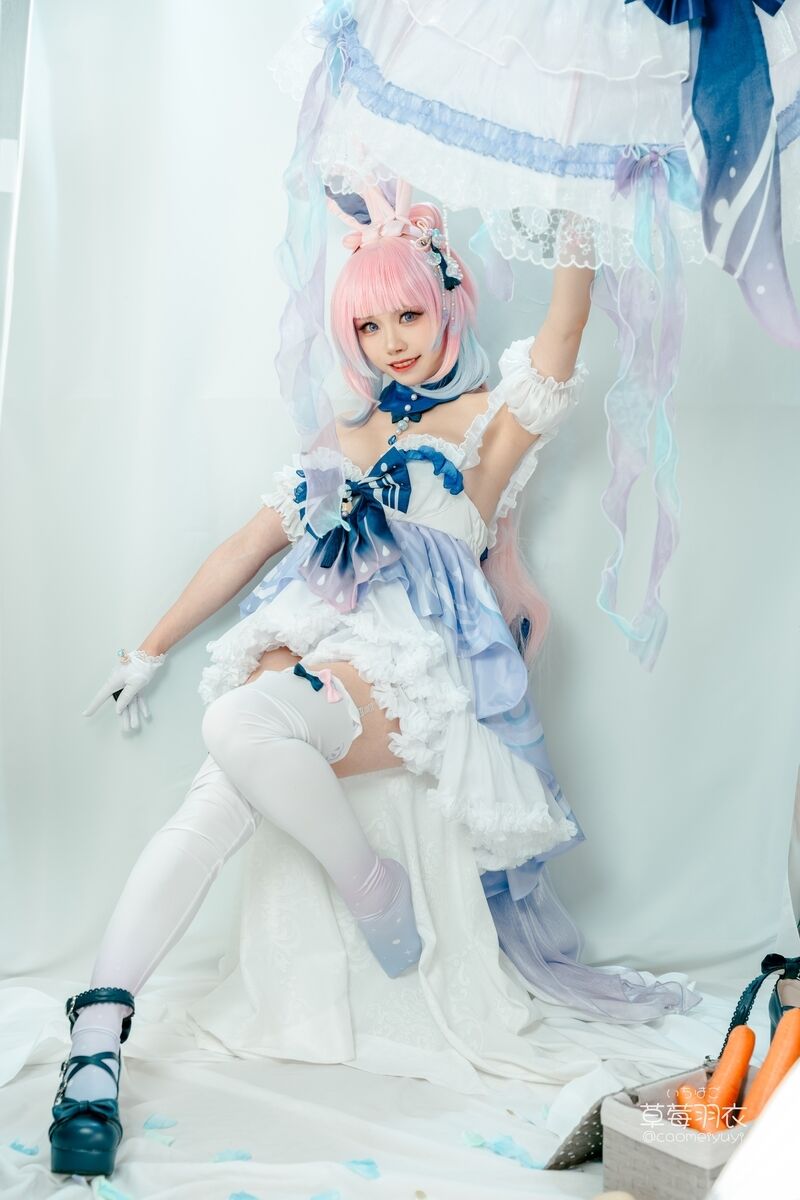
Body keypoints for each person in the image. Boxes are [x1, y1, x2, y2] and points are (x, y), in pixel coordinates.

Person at [48, 181, 699, 1180]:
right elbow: (242, 550)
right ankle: (97, 1042)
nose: (392, 343)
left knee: (237, 729)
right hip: (312, 655)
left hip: (415, 669)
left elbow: (563, 338)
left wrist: (579, 213)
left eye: (409, 316)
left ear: (447, 306)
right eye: (368, 324)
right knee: (215, 789)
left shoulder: (488, 425)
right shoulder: (338, 439)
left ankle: (365, 890)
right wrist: (147, 649)